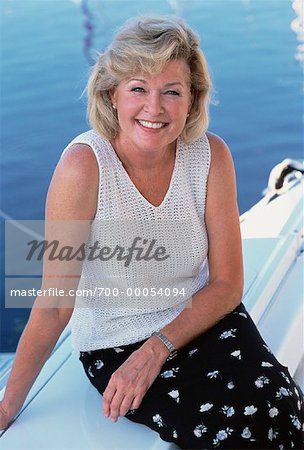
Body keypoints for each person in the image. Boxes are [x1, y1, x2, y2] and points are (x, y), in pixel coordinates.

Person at [0, 15, 303, 449]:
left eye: (172, 92)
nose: (154, 108)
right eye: (138, 88)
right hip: (116, 342)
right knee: (236, 434)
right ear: (112, 95)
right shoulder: (83, 167)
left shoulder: (211, 156)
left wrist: (158, 348)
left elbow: (227, 284)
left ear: (193, 99)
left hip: (202, 318)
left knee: (279, 402)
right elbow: (53, 308)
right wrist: (8, 405)